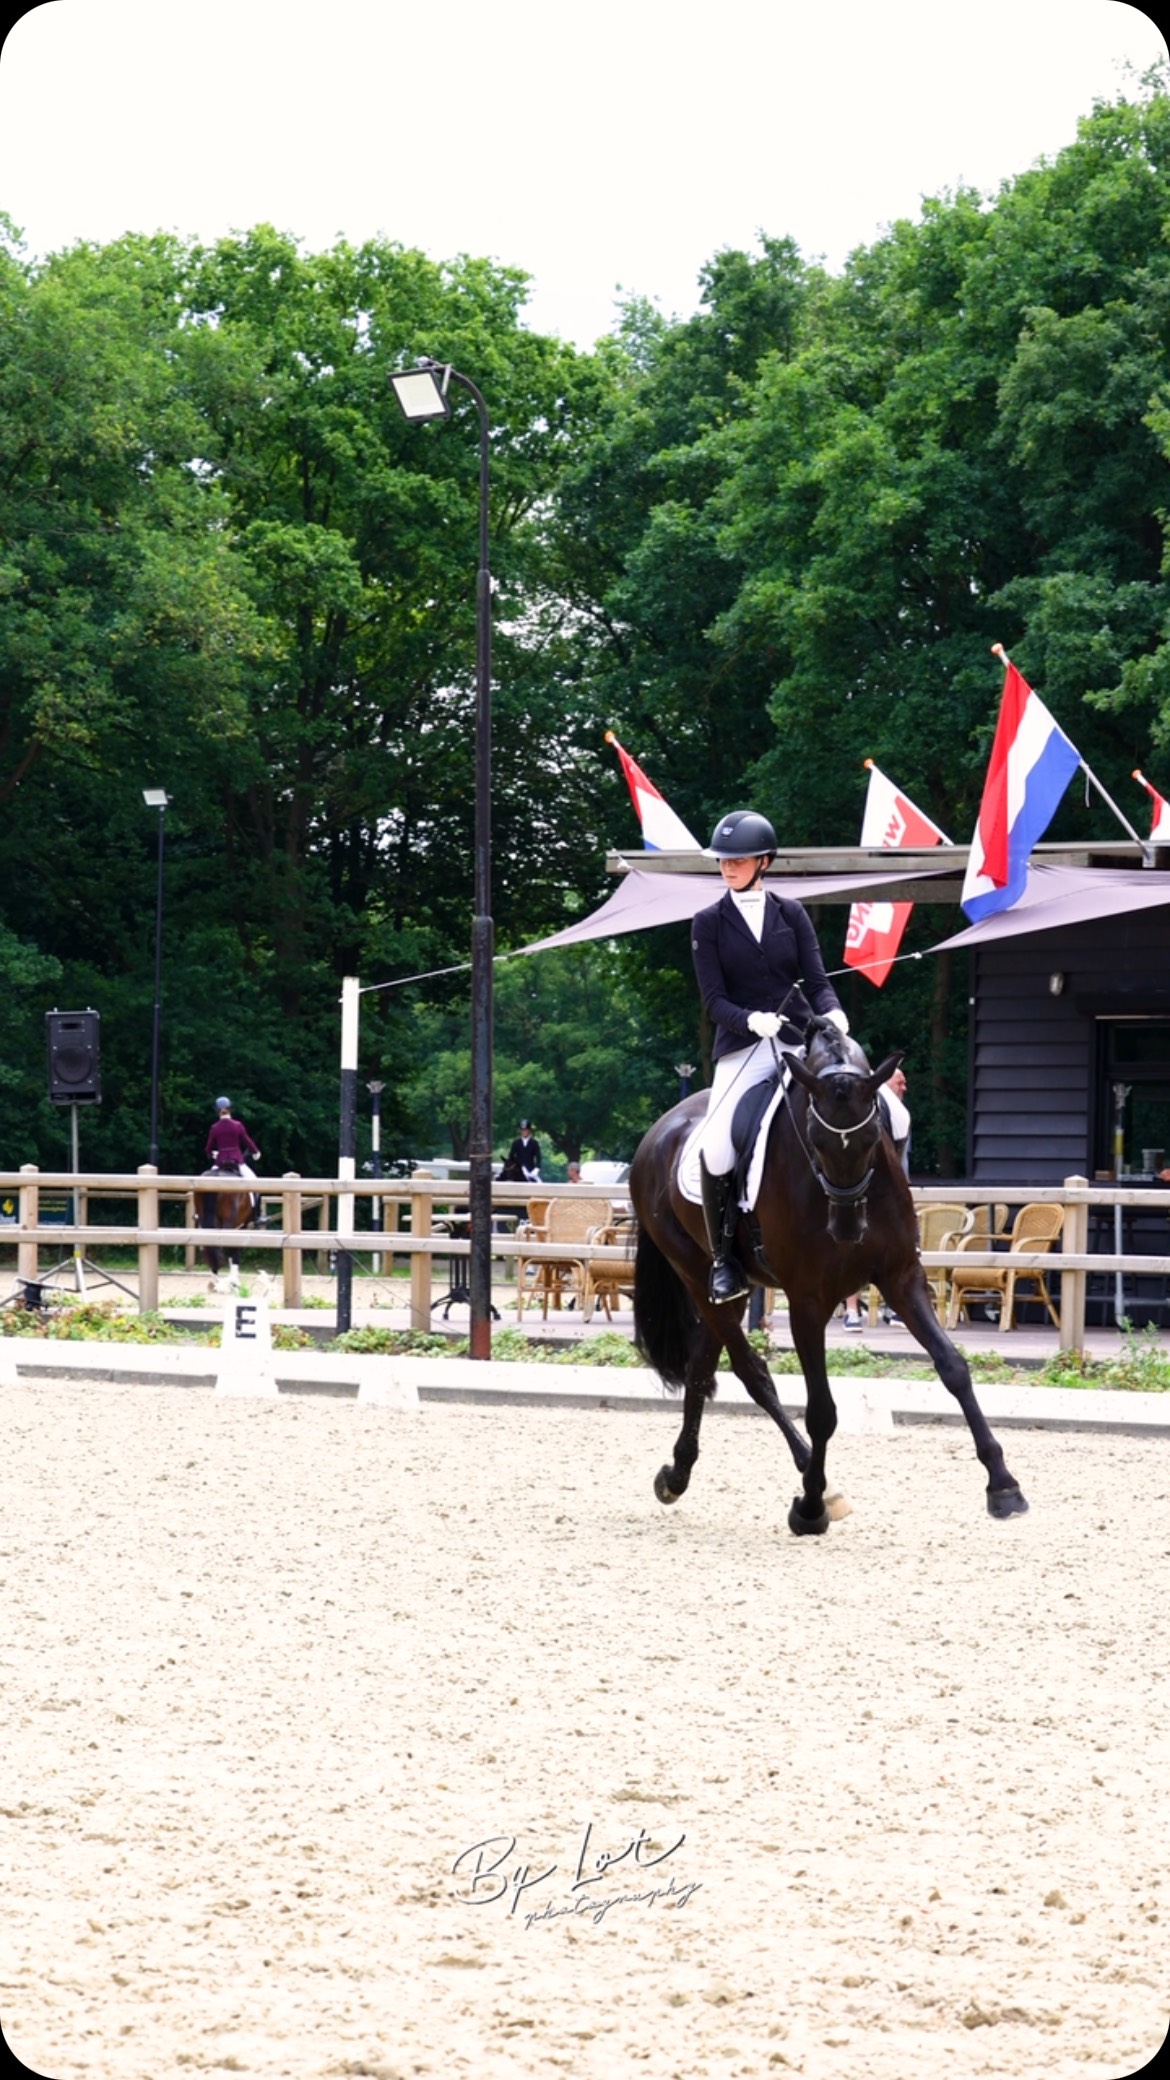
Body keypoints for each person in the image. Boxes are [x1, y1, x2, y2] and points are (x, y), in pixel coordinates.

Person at [691, 810, 849, 1304]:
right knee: (717, 1147)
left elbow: (818, 980)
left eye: (737, 860)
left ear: (763, 861)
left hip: (802, 1040)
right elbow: (713, 999)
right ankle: (724, 1259)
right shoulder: (708, 923)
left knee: (871, 1108)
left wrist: (835, 1014)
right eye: (723, 860)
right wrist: (748, 1020)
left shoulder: (792, 914)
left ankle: (881, 1226)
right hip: (744, 1048)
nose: (727, 867)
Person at [843, 1065, 910, 1328]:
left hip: (890, 1194)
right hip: (856, 1190)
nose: (903, 1087)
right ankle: (851, 1311)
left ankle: (895, 1307)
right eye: (899, 1082)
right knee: (851, 1243)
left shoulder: (894, 1117)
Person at [205, 1096, 261, 1216]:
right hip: (237, 1161)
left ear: (217, 1111)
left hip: (220, 1161)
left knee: (204, 1184)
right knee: (255, 1184)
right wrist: (255, 1152)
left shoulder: (215, 1127)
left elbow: (208, 1148)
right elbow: (247, 1141)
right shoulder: (237, 1125)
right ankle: (257, 1216)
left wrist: (213, 1154)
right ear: (230, 1109)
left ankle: (198, 1214)